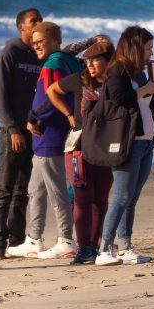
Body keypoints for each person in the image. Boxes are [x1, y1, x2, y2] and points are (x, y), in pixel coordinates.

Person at [10, 22, 83, 259]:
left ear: (54, 40)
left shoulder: (53, 64)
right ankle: (34, 238)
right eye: (34, 43)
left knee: (56, 190)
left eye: (41, 41)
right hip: (49, 136)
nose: (37, 46)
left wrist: (34, 118)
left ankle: (66, 239)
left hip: (50, 134)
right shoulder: (68, 61)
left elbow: (53, 96)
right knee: (36, 189)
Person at [95, 26, 154, 266]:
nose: (150, 53)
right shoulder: (117, 70)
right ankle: (104, 249)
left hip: (145, 140)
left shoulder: (139, 73)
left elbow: (145, 103)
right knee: (121, 196)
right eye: (147, 48)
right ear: (135, 47)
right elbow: (117, 100)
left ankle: (125, 246)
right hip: (127, 142)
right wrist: (146, 90)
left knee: (131, 198)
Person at [45, 36, 114, 264]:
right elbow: (52, 90)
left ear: (108, 61)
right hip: (78, 146)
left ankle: (93, 246)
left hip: (104, 148)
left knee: (101, 198)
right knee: (83, 197)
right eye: (88, 61)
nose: (90, 65)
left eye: (96, 61)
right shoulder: (79, 80)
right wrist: (68, 115)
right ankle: (84, 248)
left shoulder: (115, 83)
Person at [0, 8, 43, 260]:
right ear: (21, 27)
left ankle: (17, 240)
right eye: (34, 21)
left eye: (40, 20)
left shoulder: (42, 56)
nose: (38, 24)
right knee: (5, 188)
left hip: (36, 132)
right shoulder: (9, 53)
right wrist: (12, 129)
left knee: (24, 190)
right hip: (13, 133)